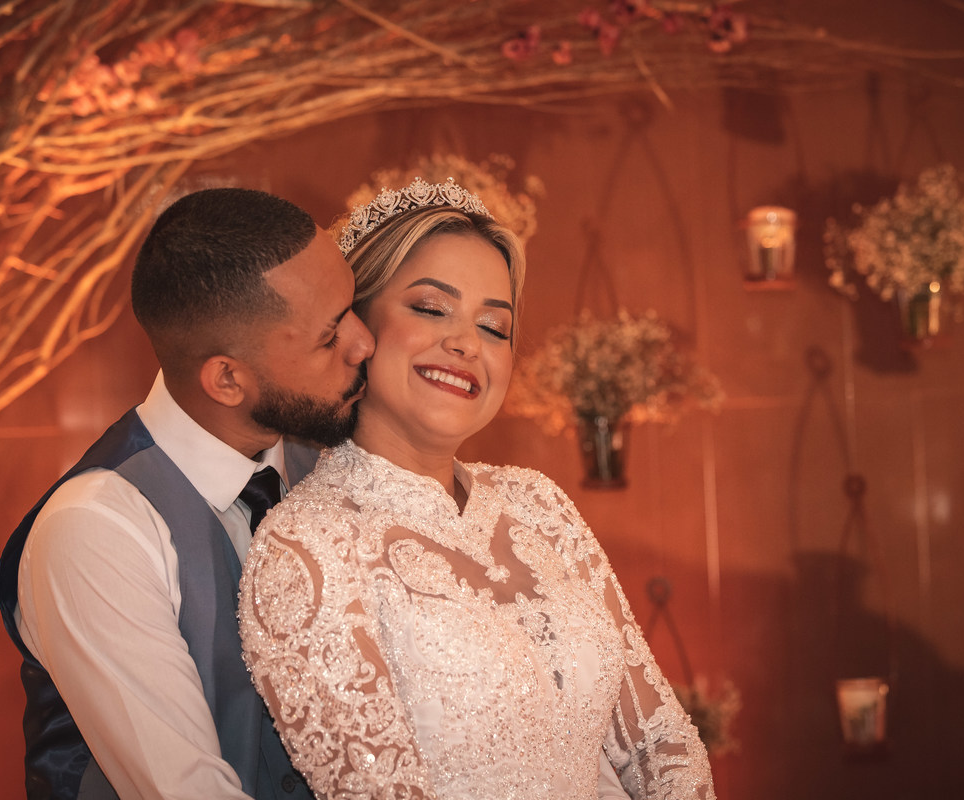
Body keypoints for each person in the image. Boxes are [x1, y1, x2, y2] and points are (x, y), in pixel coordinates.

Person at [238, 179, 716, 799]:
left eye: (494, 326)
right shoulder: (305, 549)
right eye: (432, 309)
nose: (467, 344)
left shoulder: (540, 505)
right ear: (357, 327)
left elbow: (661, 743)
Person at [0, 188, 375, 800]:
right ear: (227, 379)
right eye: (329, 337)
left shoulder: (334, 464)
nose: (364, 343)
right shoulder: (95, 529)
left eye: (352, 308)